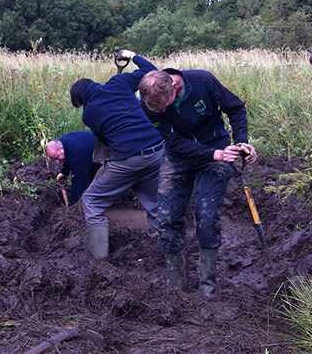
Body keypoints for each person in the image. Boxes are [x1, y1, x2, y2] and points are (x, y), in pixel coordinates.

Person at [138, 67, 257, 297]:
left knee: (206, 216)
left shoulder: (202, 81)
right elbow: (174, 142)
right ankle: (176, 288)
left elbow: (236, 108)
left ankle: (206, 290)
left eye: (165, 105)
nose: (163, 111)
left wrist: (241, 142)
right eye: (158, 109)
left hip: (215, 146)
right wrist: (215, 155)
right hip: (179, 156)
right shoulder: (149, 104)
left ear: (174, 86)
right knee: (167, 217)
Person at [69, 49, 164, 261]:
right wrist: (132, 56)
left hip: (131, 158)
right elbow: (152, 72)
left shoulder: (88, 114)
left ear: (81, 99)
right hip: (157, 151)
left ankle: (100, 264)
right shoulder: (119, 83)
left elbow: (106, 140)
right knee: (155, 205)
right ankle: (173, 252)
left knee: (92, 202)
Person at [45, 131, 101, 206]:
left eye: (57, 157)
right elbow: (68, 156)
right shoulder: (63, 141)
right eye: (54, 159)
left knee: (93, 182)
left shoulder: (78, 155)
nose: (57, 162)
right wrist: (64, 173)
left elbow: (78, 182)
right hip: (90, 150)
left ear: (61, 148)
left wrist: (72, 205)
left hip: (109, 151)